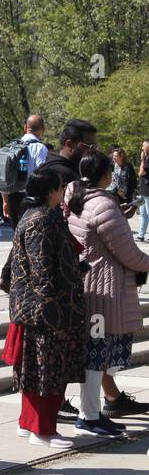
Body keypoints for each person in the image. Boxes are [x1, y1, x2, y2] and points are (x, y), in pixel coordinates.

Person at [64, 150, 149, 434]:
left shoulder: (77, 197)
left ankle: (93, 412)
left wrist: (118, 216)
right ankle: (89, 416)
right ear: (106, 174)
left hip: (87, 284)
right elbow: (127, 252)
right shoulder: (102, 203)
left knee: (95, 354)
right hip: (103, 290)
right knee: (97, 355)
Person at [7, 171, 86, 448]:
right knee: (46, 370)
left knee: (38, 370)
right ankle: (42, 430)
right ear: (52, 190)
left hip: (42, 307)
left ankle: (29, 424)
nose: (64, 190)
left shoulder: (36, 215)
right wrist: (50, 309)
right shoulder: (41, 219)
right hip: (48, 311)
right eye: (62, 186)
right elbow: (41, 270)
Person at [4, 114, 49, 225]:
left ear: (25, 128)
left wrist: (5, 201)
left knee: (17, 234)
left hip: (12, 197)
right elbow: (42, 174)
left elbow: (3, 175)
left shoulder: (10, 147)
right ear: (43, 129)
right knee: (31, 232)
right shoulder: (40, 148)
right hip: (31, 198)